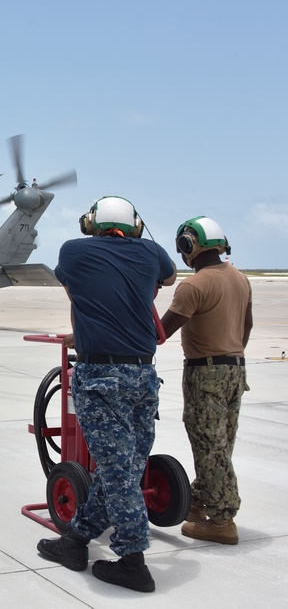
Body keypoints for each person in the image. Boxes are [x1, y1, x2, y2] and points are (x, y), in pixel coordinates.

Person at [37, 196, 176, 593]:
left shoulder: (74, 250)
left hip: (100, 375)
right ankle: (76, 541)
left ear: (91, 224)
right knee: (126, 467)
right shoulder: (152, 252)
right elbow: (168, 278)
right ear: (134, 224)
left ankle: (133, 560)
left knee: (118, 471)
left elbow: (75, 291)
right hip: (143, 376)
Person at [161, 216, 252, 545]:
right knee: (220, 443)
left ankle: (222, 519)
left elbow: (160, 333)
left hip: (205, 371)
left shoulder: (194, 285)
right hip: (236, 368)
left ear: (188, 246)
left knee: (209, 446)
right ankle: (199, 501)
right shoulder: (240, 278)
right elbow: (248, 325)